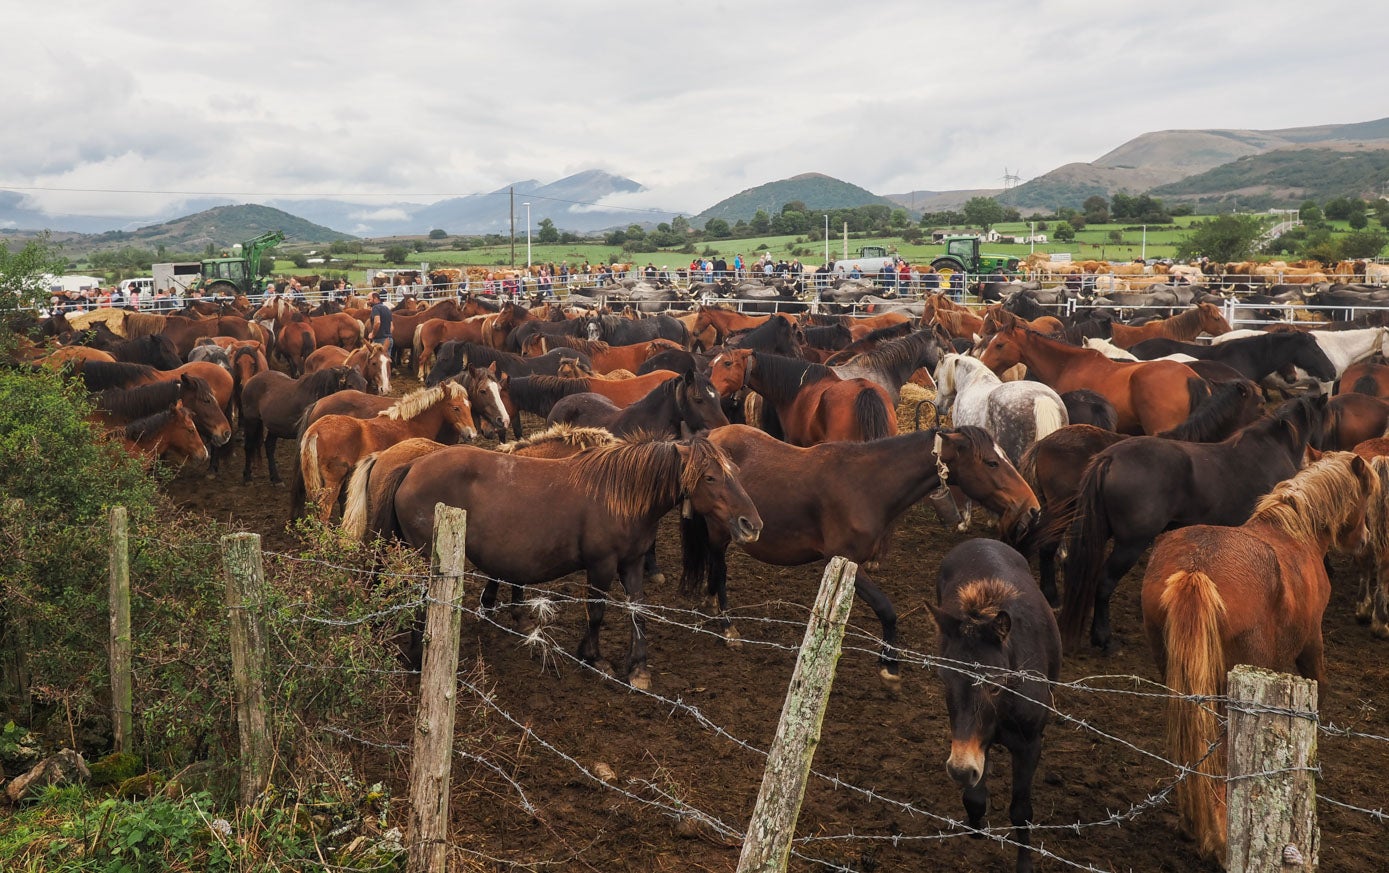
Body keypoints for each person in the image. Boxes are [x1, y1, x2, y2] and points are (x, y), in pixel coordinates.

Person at [368, 290, 394, 357]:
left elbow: (377, 322)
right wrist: (388, 336)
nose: (368, 302)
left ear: (375, 299)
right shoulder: (387, 309)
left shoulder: (375, 308)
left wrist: (373, 334)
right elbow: (392, 327)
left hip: (379, 341)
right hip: (389, 340)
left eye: (369, 299)